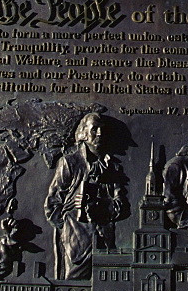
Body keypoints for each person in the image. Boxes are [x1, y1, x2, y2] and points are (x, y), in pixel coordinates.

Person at [44, 113, 127, 280]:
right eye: (94, 129)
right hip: (77, 240)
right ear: (83, 133)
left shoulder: (112, 167)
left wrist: (102, 206)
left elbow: (122, 206)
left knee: (102, 288)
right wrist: (69, 223)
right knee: (74, 287)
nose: (99, 133)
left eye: (102, 129)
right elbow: (52, 204)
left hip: (104, 238)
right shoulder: (69, 162)